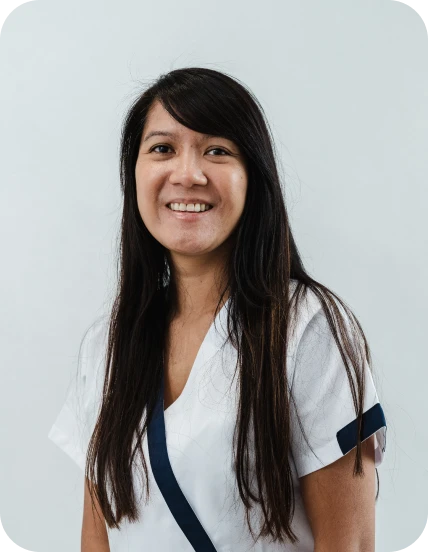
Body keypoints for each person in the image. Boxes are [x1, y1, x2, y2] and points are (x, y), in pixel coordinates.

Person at [48, 67, 387, 552]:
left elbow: (348, 545)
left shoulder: (306, 328)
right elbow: (97, 538)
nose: (188, 174)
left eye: (217, 151)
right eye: (162, 149)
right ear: (134, 174)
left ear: (254, 178)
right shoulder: (106, 346)